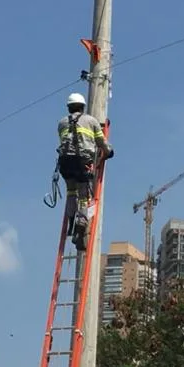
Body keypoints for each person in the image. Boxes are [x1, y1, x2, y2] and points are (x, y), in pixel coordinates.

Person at [54, 93, 113, 252]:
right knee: (83, 195)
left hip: (65, 163)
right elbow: (101, 142)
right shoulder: (91, 121)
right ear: (83, 107)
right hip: (82, 162)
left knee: (71, 192)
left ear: (69, 107)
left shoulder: (61, 123)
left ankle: (72, 220)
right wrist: (108, 152)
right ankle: (81, 221)